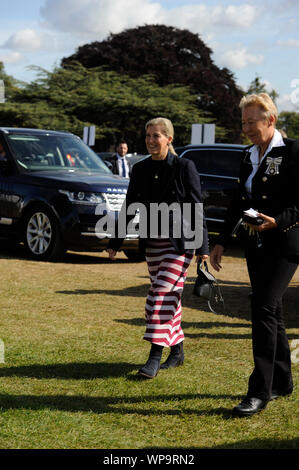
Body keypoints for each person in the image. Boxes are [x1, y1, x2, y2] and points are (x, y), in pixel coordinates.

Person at [210, 93, 299, 416]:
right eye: (243, 121)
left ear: (270, 120)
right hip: (255, 245)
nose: (245, 127)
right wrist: (219, 241)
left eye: (251, 122)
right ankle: (283, 381)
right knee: (271, 310)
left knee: (262, 308)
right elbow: (237, 201)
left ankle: (258, 390)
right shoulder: (248, 154)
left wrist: (279, 221)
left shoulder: (293, 152)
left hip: (285, 244)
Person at [107, 117, 209, 379]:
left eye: (157, 136)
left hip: (180, 245)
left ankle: (155, 356)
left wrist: (203, 247)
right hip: (152, 244)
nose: (151, 140)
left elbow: (196, 207)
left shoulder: (185, 167)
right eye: (148, 136)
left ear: (169, 139)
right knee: (169, 297)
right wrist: (116, 242)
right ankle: (177, 351)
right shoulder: (140, 169)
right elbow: (130, 206)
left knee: (160, 296)